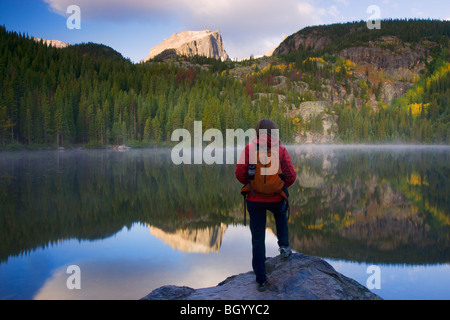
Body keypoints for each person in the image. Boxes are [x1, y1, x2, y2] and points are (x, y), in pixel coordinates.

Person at [235, 119, 297, 292]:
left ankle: (261, 280)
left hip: (254, 200)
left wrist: (253, 183)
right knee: (280, 213)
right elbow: (291, 175)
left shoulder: (249, 149)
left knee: (257, 238)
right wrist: (279, 187)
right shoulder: (281, 150)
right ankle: (284, 247)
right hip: (276, 198)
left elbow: (240, 174)